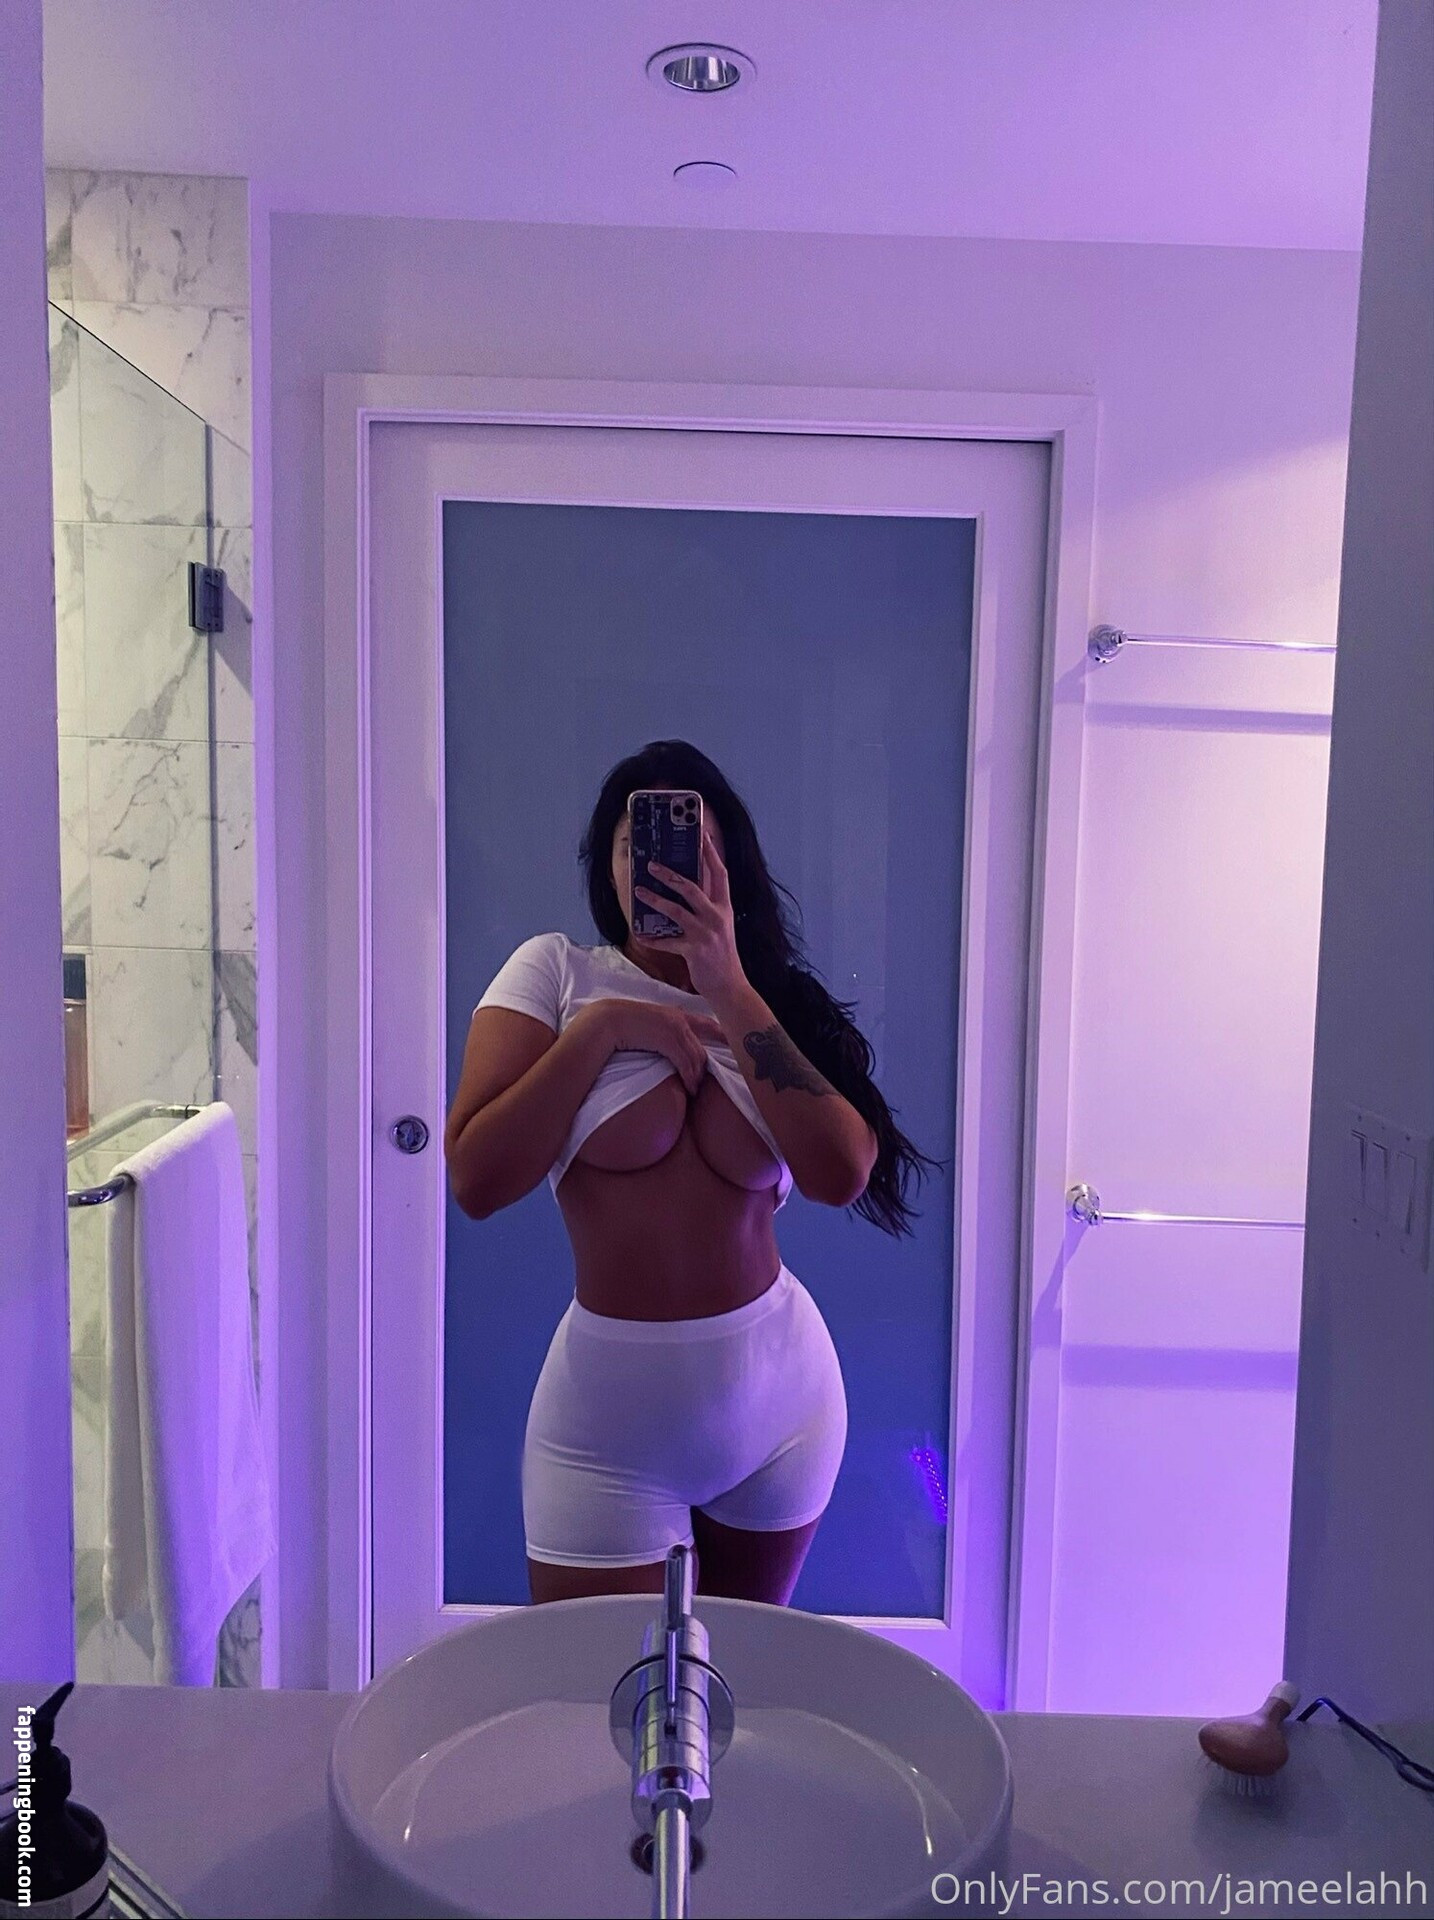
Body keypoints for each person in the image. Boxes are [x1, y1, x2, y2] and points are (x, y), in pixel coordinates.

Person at [444, 739, 941, 1606]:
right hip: (604, 1426)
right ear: (606, 863)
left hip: (781, 1404)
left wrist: (726, 980)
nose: (659, 864)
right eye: (635, 842)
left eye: (689, 843)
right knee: (596, 1674)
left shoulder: (768, 1004)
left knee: (738, 1670)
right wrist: (602, 1032)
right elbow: (476, 1180)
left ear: (726, 866)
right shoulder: (556, 972)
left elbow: (842, 1173)